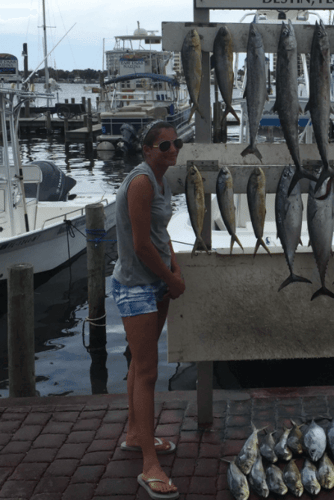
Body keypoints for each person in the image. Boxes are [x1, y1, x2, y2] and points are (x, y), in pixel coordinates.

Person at [111, 121, 185, 499]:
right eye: (165, 145)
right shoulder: (140, 183)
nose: (173, 150)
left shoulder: (162, 178)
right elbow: (141, 246)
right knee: (148, 372)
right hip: (136, 286)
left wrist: (173, 267)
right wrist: (170, 281)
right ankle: (149, 466)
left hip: (156, 281)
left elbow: (161, 234)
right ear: (147, 150)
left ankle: (136, 434)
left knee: (138, 367)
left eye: (177, 143)